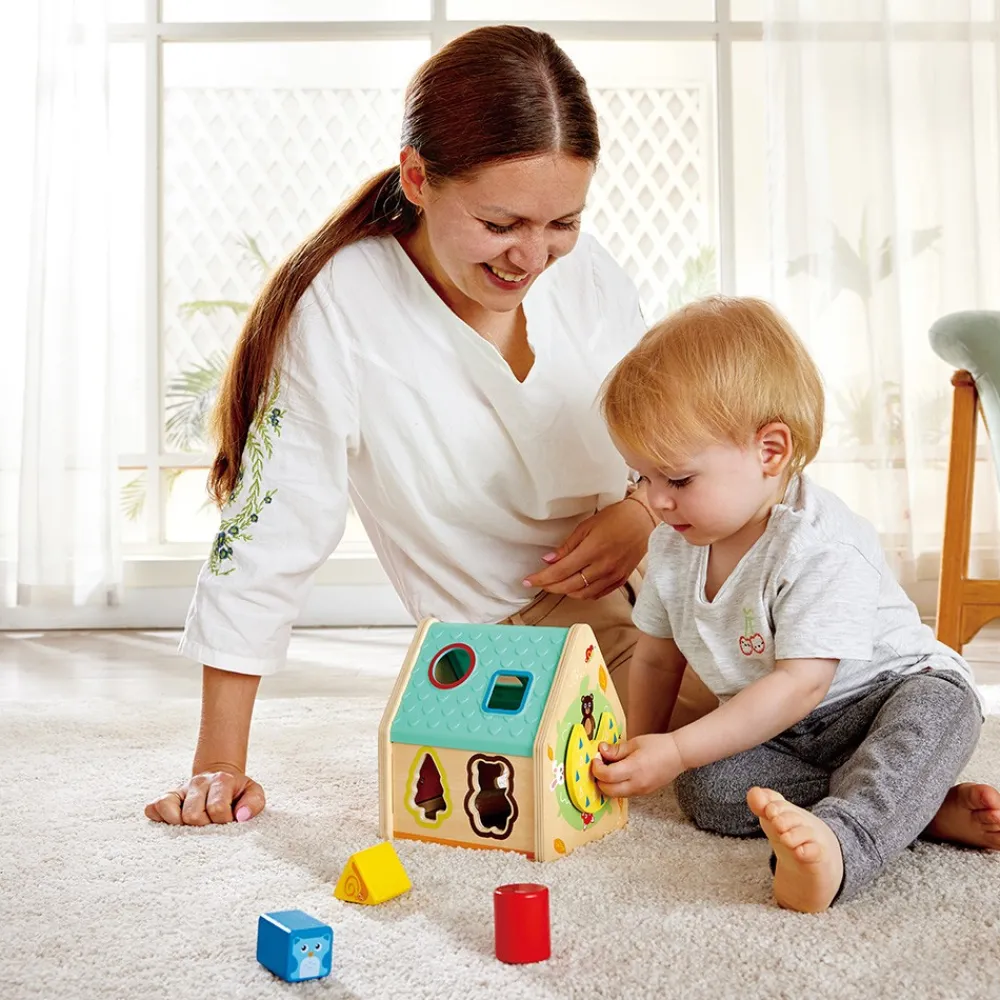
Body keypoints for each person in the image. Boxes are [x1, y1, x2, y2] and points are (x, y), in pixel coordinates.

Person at [144, 25, 716, 827]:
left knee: (826, 642)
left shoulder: (586, 273)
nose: (533, 257)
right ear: (417, 177)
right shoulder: (341, 308)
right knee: (754, 730)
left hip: (682, 554)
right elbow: (271, 533)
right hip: (530, 640)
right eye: (501, 225)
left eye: (562, 223)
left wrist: (640, 512)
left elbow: (667, 432)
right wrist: (219, 764)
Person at [593, 296, 1000, 912]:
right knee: (706, 787)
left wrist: (675, 747)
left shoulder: (817, 543)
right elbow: (655, 657)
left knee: (935, 714)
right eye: (640, 478)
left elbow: (802, 684)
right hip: (788, 734)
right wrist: (642, 748)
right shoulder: (674, 546)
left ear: (771, 451)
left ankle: (843, 846)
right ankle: (918, 808)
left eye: (676, 479)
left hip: (886, 694)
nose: (656, 500)